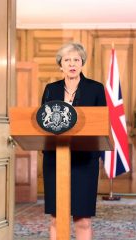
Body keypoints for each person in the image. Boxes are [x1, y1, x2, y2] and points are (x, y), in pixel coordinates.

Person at [41, 42, 106, 240]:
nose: (72, 64)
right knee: (56, 218)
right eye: (67, 60)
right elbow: (42, 122)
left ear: (82, 63)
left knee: (82, 219)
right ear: (60, 65)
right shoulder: (51, 89)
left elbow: (102, 123)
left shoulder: (95, 89)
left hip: (84, 161)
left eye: (76, 60)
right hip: (55, 158)